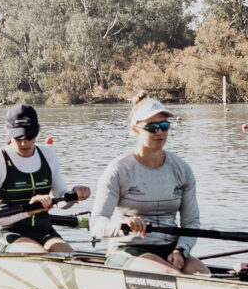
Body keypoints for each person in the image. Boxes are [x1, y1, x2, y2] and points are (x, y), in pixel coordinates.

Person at [87, 94, 205, 275]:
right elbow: (96, 224)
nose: (160, 132)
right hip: (127, 249)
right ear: (136, 130)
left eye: (164, 126)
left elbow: (191, 222)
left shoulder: (182, 169)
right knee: (171, 275)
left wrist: (181, 250)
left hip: (170, 249)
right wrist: (123, 225)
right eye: (152, 127)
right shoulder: (118, 170)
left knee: (203, 275)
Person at [0, 103, 88, 254]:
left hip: (44, 231)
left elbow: (61, 200)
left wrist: (74, 195)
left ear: (37, 131)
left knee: (72, 257)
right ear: (7, 130)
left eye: (30, 136)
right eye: (18, 137)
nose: (24, 143)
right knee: (42, 257)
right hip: (9, 233)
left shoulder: (48, 155)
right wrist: (29, 210)